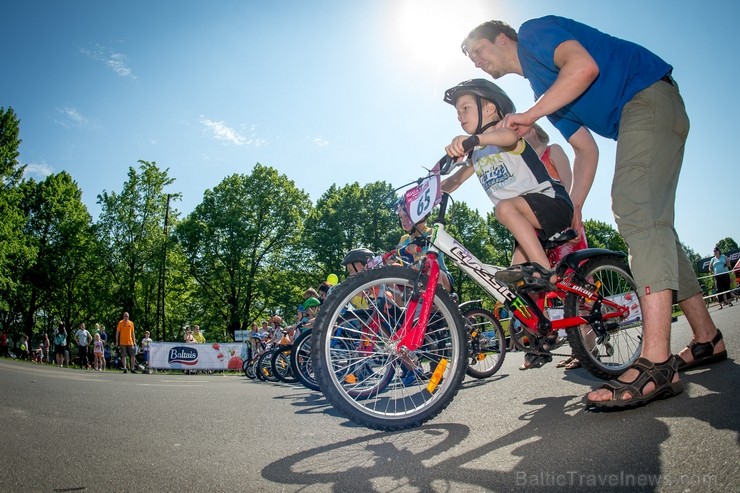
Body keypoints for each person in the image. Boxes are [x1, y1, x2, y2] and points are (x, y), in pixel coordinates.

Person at [459, 17, 725, 409]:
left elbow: (584, 67)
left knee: (634, 209)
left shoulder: (533, 34)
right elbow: (586, 148)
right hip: (637, 114)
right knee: (655, 225)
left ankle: (655, 362)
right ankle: (707, 339)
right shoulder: (543, 89)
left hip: (647, 96)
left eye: (477, 50)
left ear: (502, 38)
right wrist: (576, 206)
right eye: (470, 57)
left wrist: (530, 115)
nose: (476, 61)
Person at [441, 78, 573, 292]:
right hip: (527, 219)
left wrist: (474, 139)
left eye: (465, 108)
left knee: (503, 207)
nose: (460, 116)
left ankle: (545, 270)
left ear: (490, 107)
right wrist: (425, 191)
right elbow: (454, 181)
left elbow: (507, 136)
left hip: (552, 203)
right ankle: (537, 322)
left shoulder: (506, 134)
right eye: (458, 113)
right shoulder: (477, 154)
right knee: (516, 286)